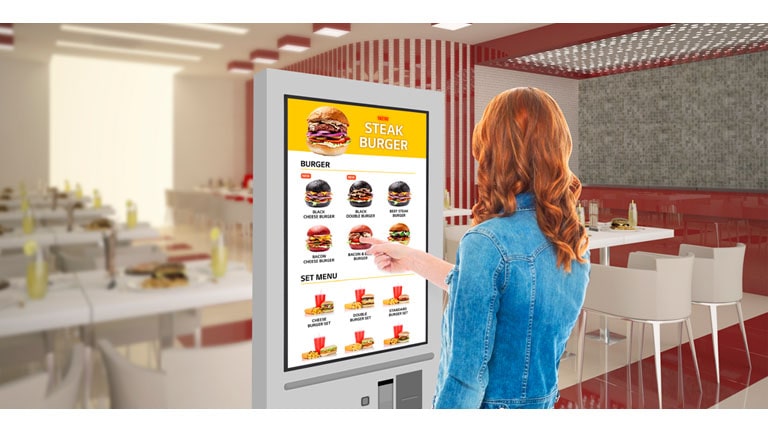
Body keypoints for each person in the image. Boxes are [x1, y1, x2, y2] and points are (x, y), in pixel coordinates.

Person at [361, 87, 590, 409]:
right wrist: (410, 258)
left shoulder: (487, 241)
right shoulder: (571, 237)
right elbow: (496, 294)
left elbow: (466, 377)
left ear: (494, 152)